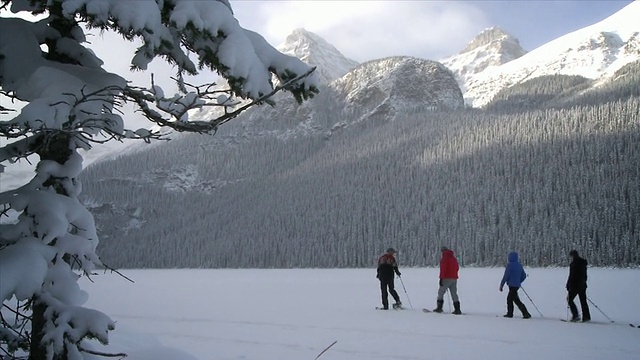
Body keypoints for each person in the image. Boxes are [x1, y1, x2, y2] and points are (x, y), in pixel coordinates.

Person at [499, 252, 531, 319]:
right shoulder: (519, 265)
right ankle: (525, 313)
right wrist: (519, 281)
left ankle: (511, 313)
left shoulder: (510, 265)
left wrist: (501, 285)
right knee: (515, 299)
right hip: (517, 286)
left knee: (510, 299)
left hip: (512, 285)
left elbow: (506, 276)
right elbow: (524, 276)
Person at [433, 246, 462, 315]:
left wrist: (441, 278)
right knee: (454, 293)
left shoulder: (445, 258)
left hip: (446, 278)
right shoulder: (453, 258)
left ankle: (439, 308)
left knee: (441, 292)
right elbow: (457, 267)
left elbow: (443, 269)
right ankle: (457, 309)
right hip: (454, 278)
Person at [566, 249, 591, 322]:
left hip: (575, 286)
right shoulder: (582, 263)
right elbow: (584, 276)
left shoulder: (574, 264)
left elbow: (572, 276)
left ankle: (576, 315)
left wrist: (569, 285)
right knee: (583, 301)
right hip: (582, 285)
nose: (570, 258)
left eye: (570, 257)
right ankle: (586, 316)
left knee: (569, 300)